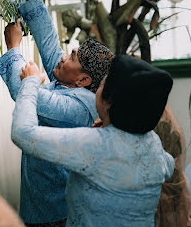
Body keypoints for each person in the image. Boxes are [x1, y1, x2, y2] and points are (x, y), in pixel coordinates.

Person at [0, 0, 113, 226]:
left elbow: (27, 95)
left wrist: (14, 48)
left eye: (73, 57)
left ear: (83, 80)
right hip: (46, 206)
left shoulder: (78, 107)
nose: (65, 54)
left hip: (55, 214)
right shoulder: (71, 80)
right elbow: (49, 44)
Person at [12, 56, 174, 226]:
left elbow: (23, 133)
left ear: (108, 102)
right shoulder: (153, 144)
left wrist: (30, 82)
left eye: (101, 85)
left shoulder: (97, 145)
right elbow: (167, 166)